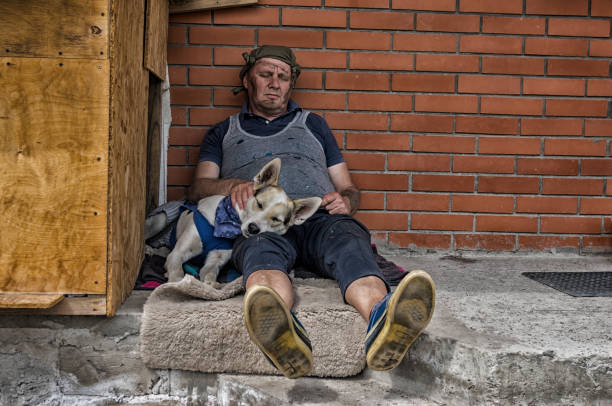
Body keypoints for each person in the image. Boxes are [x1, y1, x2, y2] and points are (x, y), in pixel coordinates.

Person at [186, 45, 435, 379]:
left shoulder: (314, 124)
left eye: (283, 77)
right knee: (260, 253)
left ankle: (382, 318)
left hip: (318, 217)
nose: (274, 83)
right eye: (265, 74)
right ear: (247, 80)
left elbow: (348, 187)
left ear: (291, 85)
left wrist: (346, 201)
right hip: (262, 222)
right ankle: (281, 330)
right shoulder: (223, 132)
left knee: (349, 239)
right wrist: (231, 186)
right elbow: (198, 188)